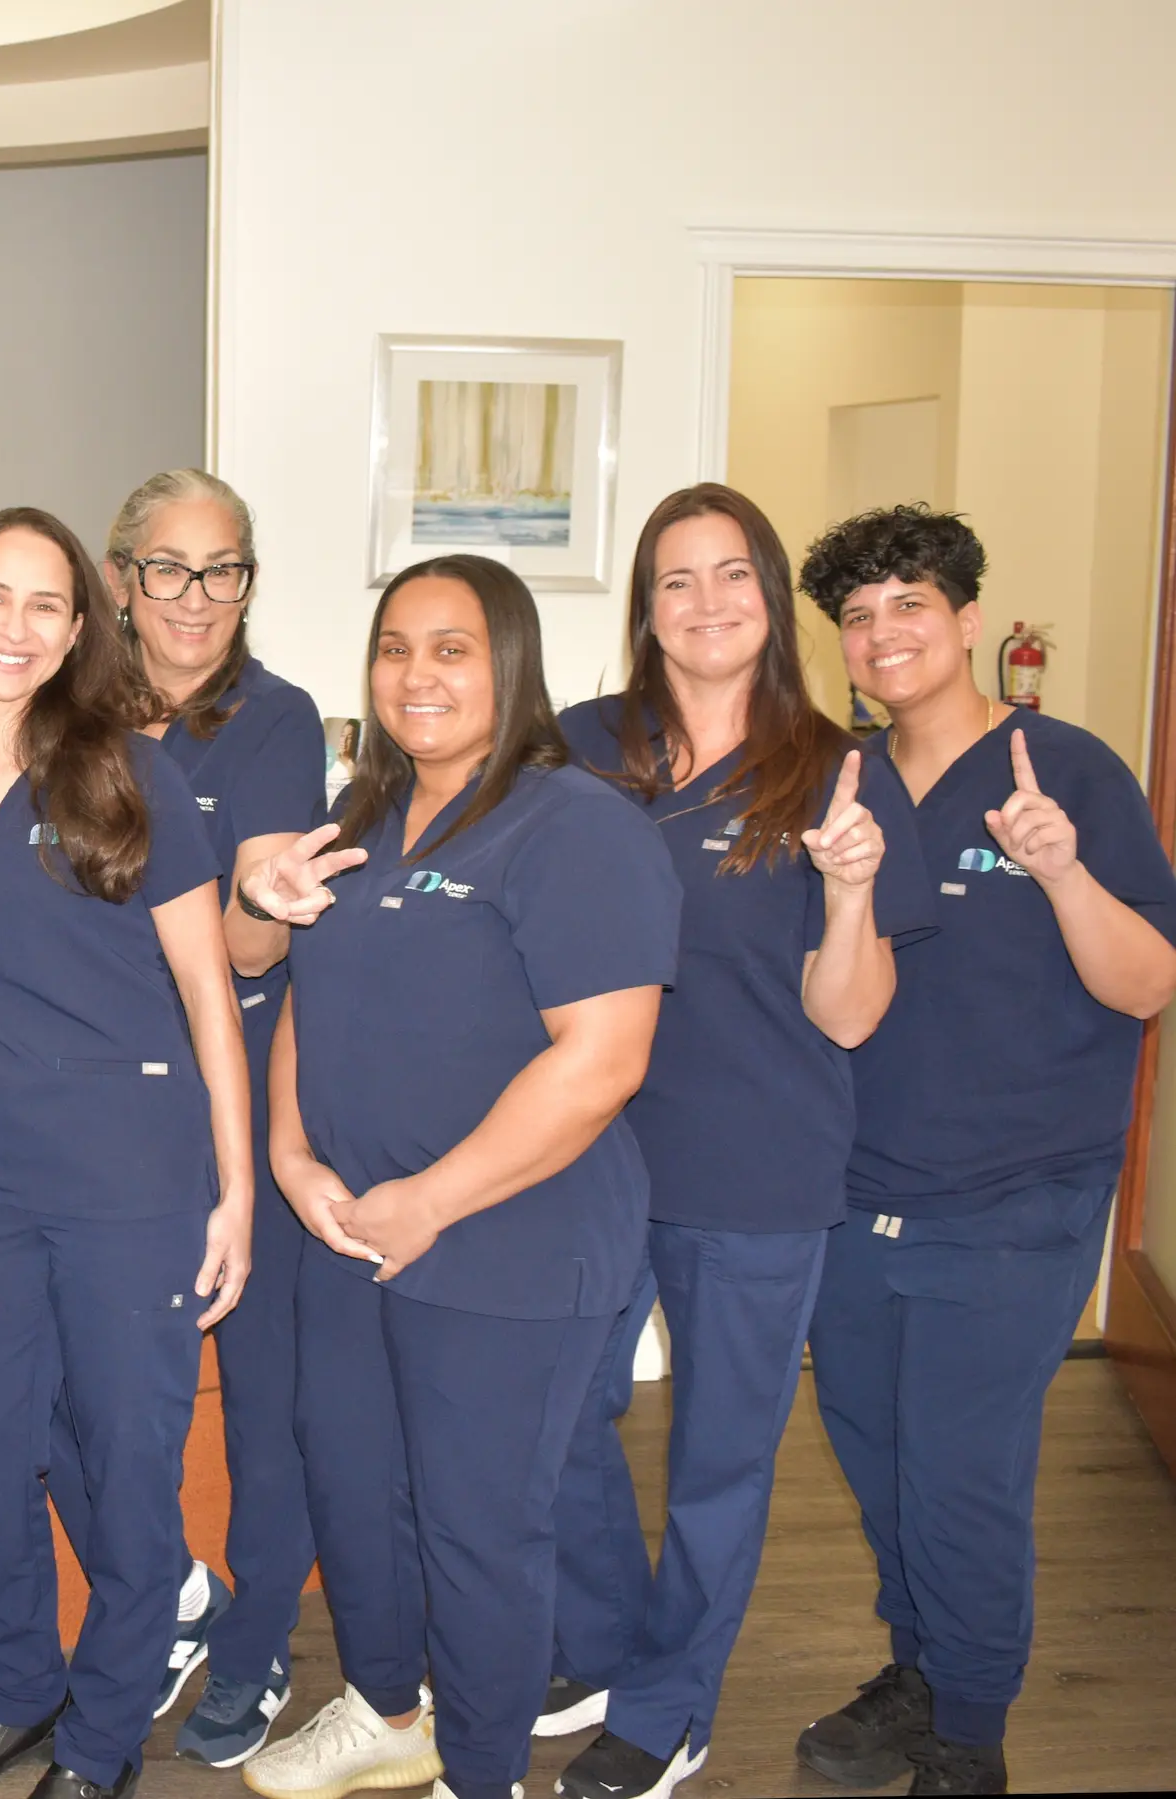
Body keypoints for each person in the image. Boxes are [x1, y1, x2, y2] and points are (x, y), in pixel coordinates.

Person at [239, 555, 679, 1799]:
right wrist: (291, 1155)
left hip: (509, 1245)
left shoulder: (575, 823)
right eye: (394, 647)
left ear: (512, 664)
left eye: (451, 648)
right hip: (350, 1228)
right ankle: (388, 1706)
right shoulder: (364, 817)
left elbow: (603, 1060)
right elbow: (301, 1003)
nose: (414, 674)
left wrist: (428, 1200)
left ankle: (477, 1772)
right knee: (351, 1483)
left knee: (478, 1529)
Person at [0, 507, 255, 1799]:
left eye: (44, 605)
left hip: (132, 1147)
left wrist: (235, 1189)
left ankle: (101, 1735)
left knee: (128, 1463)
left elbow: (207, 991)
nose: (13, 627)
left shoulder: (128, 770)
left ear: (79, 629)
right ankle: (22, 1689)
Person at [534, 485, 933, 1799]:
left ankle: (667, 1707)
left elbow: (855, 1012)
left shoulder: (840, 767)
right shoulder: (581, 746)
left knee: (717, 1453)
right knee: (559, 1414)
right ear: (644, 608)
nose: (705, 603)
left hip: (760, 1165)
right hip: (592, 1144)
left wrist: (852, 886)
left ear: (770, 598)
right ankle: (605, 1645)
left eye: (731, 576)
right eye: (674, 580)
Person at [790, 506, 1176, 1799]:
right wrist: (845, 892)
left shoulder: (1066, 770)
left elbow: (1146, 983)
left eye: (910, 603)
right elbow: (842, 1011)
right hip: (857, 1199)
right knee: (885, 1470)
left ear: (966, 620)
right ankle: (921, 1667)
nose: (884, 632)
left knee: (962, 1481)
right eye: (857, 615)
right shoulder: (836, 791)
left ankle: (970, 1733)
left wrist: (1063, 872)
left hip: (1018, 1201)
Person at [36, 468, 327, 1769]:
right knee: (51, 1392)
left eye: (224, 569)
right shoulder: (66, 710)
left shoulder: (275, 719)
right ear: (120, 579)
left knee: (261, 1397)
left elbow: (251, 953)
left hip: (232, 1093)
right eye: (169, 566)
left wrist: (255, 897)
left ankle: (254, 1645)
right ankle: (170, 1590)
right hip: (93, 1099)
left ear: (248, 583)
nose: (196, 597)